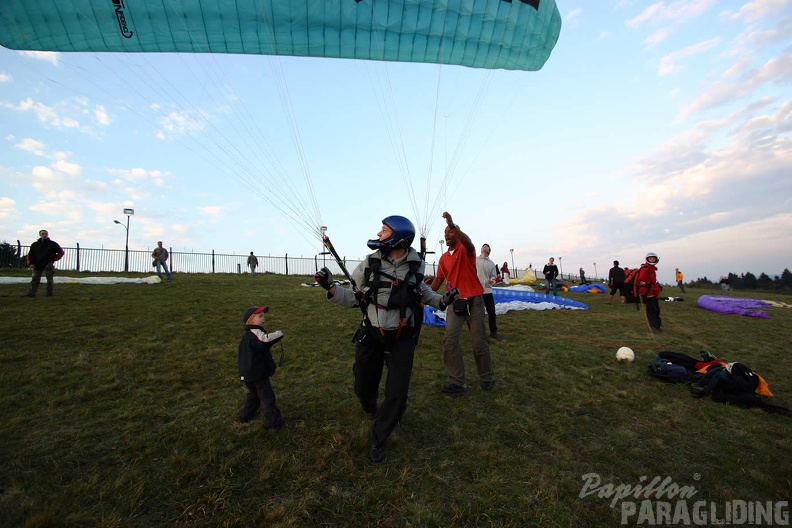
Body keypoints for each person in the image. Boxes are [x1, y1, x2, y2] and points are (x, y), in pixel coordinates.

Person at [315, 216, 456, 464]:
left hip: (402, 336)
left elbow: (421, 291)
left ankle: (379, 437)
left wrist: (442, 300)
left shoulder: (416, 265)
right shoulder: (369, 264)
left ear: (397, 237)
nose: (379, 234)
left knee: (397, 394)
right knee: (362, 383)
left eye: (383, 230)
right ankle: (370, 406)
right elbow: (354, 297)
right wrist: (330, 288)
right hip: (371, 333)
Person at [430, 212, 495, 395]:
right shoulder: (443, 258)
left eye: (450, 232)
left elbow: (468, 242)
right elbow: (438, 280)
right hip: (455, 303)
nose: (447, 234)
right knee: (450, 342)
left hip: (474, 301)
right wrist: (425, 297)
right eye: (446, 232)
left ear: (457, 233)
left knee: (478, 343)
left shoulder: (467, 250)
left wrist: (453, 225)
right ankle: (458, 382)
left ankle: (487, 377)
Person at [237, 306, 285, 429]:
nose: (263, 319)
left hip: (248, 374)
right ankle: (274, 422)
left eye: (263, 316)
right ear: (250, 320)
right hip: (257, 374)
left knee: (254, 395)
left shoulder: (248, 335)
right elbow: (265, 341)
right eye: (260, 316)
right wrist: (278, 334)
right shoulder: (255, 332)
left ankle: (245, 415)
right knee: (267, 397)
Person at [23, 229, 64, 297]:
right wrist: (31, 263)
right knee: (35, 279)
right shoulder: (35, 245)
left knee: (49, 279)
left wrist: (53, 259)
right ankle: (31, 293)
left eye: (45, 234)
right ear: (40, 235)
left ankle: (49, 293)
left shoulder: (53, 244)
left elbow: (61, 252)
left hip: (48, 263)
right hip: (37, 264)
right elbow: (30, 255)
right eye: (43, 234)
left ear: (47, 235)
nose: (44, 235)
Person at [476, 243, 499, 339]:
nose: (485, 246)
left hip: (487, 291)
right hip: (476, 291)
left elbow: (494, 275)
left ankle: (493, 332)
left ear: (489, 251)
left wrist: (493, 280)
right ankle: (480, 334)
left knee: (491, 312)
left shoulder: (492, 263)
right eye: (483, 245)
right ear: (481, 249)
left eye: (487, 246)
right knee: (478, 314)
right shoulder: (475, 260)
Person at [637, 252, 662, 333]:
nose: (652, 260)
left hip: (654, 292)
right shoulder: (645, 269)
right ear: (647, 259)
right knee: (651, 311)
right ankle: (654, 327)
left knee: (656, 310)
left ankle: (657, 325)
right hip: (648, 293)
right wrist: (646, 283)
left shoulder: (652, 269)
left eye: (653, 258)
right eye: (650, 258)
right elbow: (640, 281)